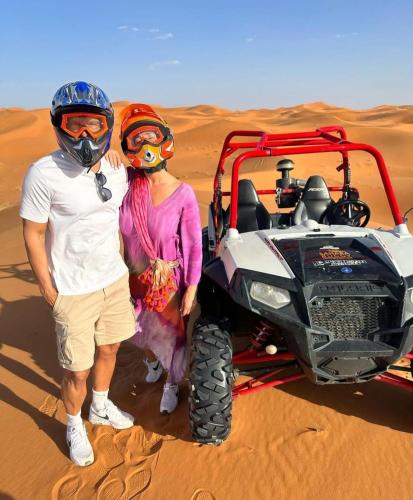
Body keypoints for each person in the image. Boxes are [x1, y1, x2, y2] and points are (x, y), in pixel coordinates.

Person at [20, 81, 136, 467]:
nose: (85, 133)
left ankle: (99, 407)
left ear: (107, 126)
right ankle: (74, 423)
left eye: (93, 124)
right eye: (75, 124)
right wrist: (48, 289)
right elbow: (33, 232)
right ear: (59, 126)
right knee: (77, 371)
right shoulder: (43, 173)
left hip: (113, 281)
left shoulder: (117, 169)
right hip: (72, 290)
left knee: (110, 348)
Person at [119, 103, 202, 414]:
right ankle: (152, 364)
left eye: (151, 136)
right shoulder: (126, 184)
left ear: (165, 138)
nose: (145, 145)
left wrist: (191, 289)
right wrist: (108, 158)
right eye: (136, 140)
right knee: (137, 332)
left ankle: (171, 383)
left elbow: (193, 245)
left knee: (171, 337)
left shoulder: (183, 193)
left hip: (168, 283)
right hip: (133, 279)